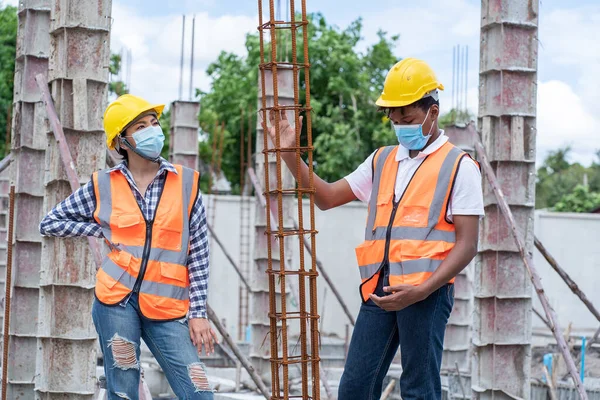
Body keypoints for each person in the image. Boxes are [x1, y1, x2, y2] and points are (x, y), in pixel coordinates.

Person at [266, 58, 484, 400]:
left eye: (408, 119)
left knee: (419, 390)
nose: (401, 127)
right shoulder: (382, 160)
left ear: (433, 112)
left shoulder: (460, 166)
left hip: (426, 292)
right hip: (379, 289)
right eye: (395, 121)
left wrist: (423, 290)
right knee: (354, 389)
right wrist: (291, 155)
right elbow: (326, 197)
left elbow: (467, 244)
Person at [40, 94, 217, 399]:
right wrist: (99, 229)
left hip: (167, 307)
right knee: (123, 391)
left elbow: (198, 252)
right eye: (141, 126)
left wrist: (198, 312)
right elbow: (50, 222)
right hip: (116, 302)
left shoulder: (185, 184)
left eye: (154, 123)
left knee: (199, 391)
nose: (152, 130)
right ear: (122, 142)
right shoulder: (103, 184)